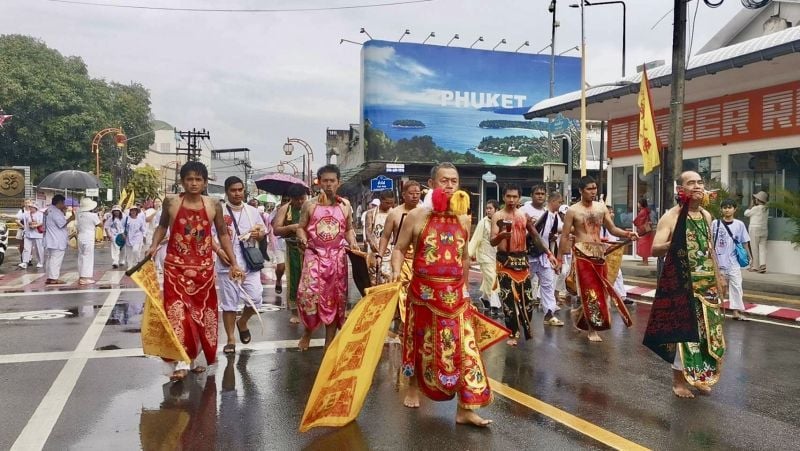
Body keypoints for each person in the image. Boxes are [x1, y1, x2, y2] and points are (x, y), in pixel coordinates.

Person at [392, 162, 498, 427]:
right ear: (431, 185)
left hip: (454, 297)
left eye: (454, 181)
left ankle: (465, 408)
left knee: (465, 349)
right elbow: (399, 249)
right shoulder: (416, 216)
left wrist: (463, 286)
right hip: (423, 294)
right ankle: (413, 386)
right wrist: (394, 271)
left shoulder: (464, 218)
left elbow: (463, 258)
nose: (450, 186)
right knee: (419, 342)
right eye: (444, 181)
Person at [146, 161, 241, 382]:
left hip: (204, 272)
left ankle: (195, 359)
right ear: (182, 181)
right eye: (189, 179)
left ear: (205, 182)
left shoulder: (213, 205)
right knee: (178, 315)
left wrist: (234, 262)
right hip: (175, 269)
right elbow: (161, 227)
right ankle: (180, 361)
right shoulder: (171, 202)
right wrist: (154, 245)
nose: (194, 183)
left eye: (198, 179)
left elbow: (223, 234)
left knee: (201, 317)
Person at [645, 171, 727, 398]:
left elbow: (709, 248)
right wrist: (676, 240)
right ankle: (679, 382)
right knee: (685, 335)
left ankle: (700, 377)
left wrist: (718, 276)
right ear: (681, 190)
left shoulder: (706, 216)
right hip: (683, 285)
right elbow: (655, 249)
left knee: (707, 333)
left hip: (707, 284)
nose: (698, 186)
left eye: (700, 182)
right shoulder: (671, 217)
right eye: (691, 183)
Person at [556, 176, 637, 342]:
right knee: (589, 292)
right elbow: (564, 236)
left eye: (595, 188)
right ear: (580, 191)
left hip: (599, 254)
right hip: (582, 254)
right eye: (589, 189)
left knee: (602, 291)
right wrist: (559, 258)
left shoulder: (601, 208)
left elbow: (612, 229)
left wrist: (627, 234)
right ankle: (592, 329)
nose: (593, 192)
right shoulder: (573, 211)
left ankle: (578, 313)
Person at [296, 164, 358, 352]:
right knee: (309, 296)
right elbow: (301, 227)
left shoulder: (345, 205)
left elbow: (348, 230)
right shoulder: (310, 205)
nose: (328, 185)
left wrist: (353, 243)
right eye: (325, 181)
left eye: (332, 181)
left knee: (335, 299)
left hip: (337, 259)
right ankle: (307, 332)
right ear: (319, 182)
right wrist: (302, 237)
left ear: (339, 183)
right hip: (314, 256)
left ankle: (329, 343)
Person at [492, 185, 555, 346]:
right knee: (508, 300)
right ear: (504, 197)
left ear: (519, 198)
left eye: (514, 197)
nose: (511, 200)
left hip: (522, 261)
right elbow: (492, 240)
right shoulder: (497, 215)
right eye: (508, 196)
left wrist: (549, 254)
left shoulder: (523, 215)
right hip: (504, 261)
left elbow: (535, 235)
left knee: (527, 301)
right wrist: (501, 236)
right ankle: (512, 332)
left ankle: (522, 325)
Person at [216, 176, 266, 355]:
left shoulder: (252, 211)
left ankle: (242, 322)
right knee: (229, 304)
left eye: (240, 190)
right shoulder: (219, 211)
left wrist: (257, 234)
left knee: (256, 298)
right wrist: (218, 251)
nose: (237, 193)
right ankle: (230, 338)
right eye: (233, 190)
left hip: (249, 262)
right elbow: (209, 235)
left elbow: (262, 232)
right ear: (226, 191)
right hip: (227, 264)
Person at [378, 180, 421, 328]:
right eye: (411, 193)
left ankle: (413, 325)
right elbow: (385, 236)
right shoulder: (395, 213)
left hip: (420, 261)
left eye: (418, 193)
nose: (415, 196)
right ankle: (404, 325)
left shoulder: (426, 212)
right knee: (402, 294)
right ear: (403, 195)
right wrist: (379, 255)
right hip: (401, 260)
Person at [528, 191, 565, 326]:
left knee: (548, 284)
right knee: (524, 283)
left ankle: (549, 313)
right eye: (559, 202)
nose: (560, 205)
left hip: (544, 255)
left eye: (542, 194)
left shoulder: (554, 217)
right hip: (530, 254)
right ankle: (520, 311)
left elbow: (559, 230)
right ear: (553, 201)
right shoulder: (526, 210)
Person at [272, 184, 308, 324]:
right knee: (294, 279)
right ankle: (294, 311)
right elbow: (276, 230)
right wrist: (291, 227)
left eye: (302, 198)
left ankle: (312, 309)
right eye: (297, 199)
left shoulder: (312, 205)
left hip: (311, 249)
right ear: (291, 199)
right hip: (293, 248)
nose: (300, 202)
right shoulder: (285, 209)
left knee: (312, 279)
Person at [713, 198, 752, 321]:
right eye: (725, 207)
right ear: (721, 209)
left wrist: (750, 257)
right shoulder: (715, 223)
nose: (727, 210)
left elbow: (745, 241)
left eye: (730, 207)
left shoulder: (739, 224)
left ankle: (736, 311)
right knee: (718, 287)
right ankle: (716, 309)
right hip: (718, 261)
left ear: (735, 209)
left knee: (736, 285)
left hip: (733, 261)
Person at [468, 200, 501, 317]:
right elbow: (476, 238)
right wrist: (468, 254)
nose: (488, 210)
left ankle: (484, 298)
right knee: (492, 279)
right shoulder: (483, 222)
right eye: (487, 208)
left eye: (490, 208)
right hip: (484, 256)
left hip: (496, 256)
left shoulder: (500, 221)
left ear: (497, 210)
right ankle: (495, 306)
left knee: (489, 279)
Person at [601, 205, 632, 305]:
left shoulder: (611, 226)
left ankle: (621, 297)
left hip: (612, 254)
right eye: (610, 212)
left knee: (617, 274)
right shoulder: (600, 226)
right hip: (602, 254)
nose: (612, 214)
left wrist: (627, 236)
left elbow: (615, 237)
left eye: (612, 212)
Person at [365, 190, 396, 285]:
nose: (389, 205)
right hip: (374, 252)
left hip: (390, 252)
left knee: (388, 280)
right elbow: (368, 232)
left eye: (391, 203)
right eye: (387, 203)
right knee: (373, 281)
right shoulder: (371, 213)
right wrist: (372, 244)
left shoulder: (395, 213)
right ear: (381, 201)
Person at [43, 194, 75, 285]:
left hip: (50, 238)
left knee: (50, 258)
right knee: (55, 259)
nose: (64, 204)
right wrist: (70, 219)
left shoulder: (48, 210)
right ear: (60, 202)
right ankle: (53, 278)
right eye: (63, 203)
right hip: (56, 239)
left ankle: (50, 277)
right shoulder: (56, 212)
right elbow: (61, 224)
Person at [76, 198, 101, 285]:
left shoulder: (78, 215)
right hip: (88, 236)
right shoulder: (92, 215)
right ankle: (85, 278)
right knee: (88, 257)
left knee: (81, 256)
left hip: (80, 236)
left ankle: (81, 276)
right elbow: (100, 224)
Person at [744, 191, 769, 273]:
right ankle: (763, 265)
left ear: (758, 199)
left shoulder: (755, 208)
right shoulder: (766, 208)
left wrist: (751, 206)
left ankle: (755, 267)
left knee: (754, 247)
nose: (754, 200)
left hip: (754, 229)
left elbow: (746, 214)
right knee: (762, 248)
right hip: (764, 229)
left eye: (755, 198)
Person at [19, 202, 44, 269]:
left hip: (37, 234)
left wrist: (36, 225)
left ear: (35, 208)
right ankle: (25, 262)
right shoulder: (26, 214)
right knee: (26, 248)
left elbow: (42, 222)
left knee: (39, 249)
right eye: (29, 207)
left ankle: (40, 262)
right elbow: (18, 217)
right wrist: (6, 215)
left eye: (31, 207)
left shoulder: (40, 214)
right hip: (28, 233)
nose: (30, 208)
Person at [633, 198, 654, 266]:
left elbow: (638, 221)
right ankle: (644, 261)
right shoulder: (646, 210)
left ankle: (645, 262)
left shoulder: (643, 211)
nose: (637, 204)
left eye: (638, 203)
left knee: (643, 246)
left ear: (641, 204)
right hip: (647, 230)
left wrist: (635, 222)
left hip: (644, 231)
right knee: (645, 245)